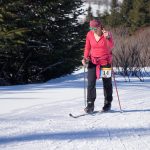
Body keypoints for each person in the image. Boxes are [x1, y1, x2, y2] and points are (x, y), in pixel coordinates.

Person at [82, 19, 114, 113]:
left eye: (95, 28)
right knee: (91, 83)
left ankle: (107, 103)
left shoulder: (107, 34)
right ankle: (90, 104)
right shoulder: (89, 34)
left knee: (107, 83)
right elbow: (87, 47)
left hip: (105, 61)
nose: (93, 30)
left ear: (100, 26)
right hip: (93, 61)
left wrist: (108, 38)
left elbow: (111, 46)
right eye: (91, 28)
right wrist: (85, 57)